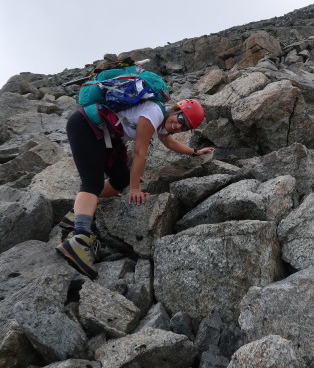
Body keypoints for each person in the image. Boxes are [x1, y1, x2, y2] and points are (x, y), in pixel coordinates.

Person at [56, 98, 214, 279]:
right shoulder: (154, 113)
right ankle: (80, 239)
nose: (178, 127)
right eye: (180, 120)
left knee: (120, 179)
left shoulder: (163, 122)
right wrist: (135, 189)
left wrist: (195, 152)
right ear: (176, 109)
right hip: (86, 125)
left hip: (106, 135)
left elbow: (169, 142)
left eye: (184, 128)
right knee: (92, 183)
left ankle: (78, 213)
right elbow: (140, 153)